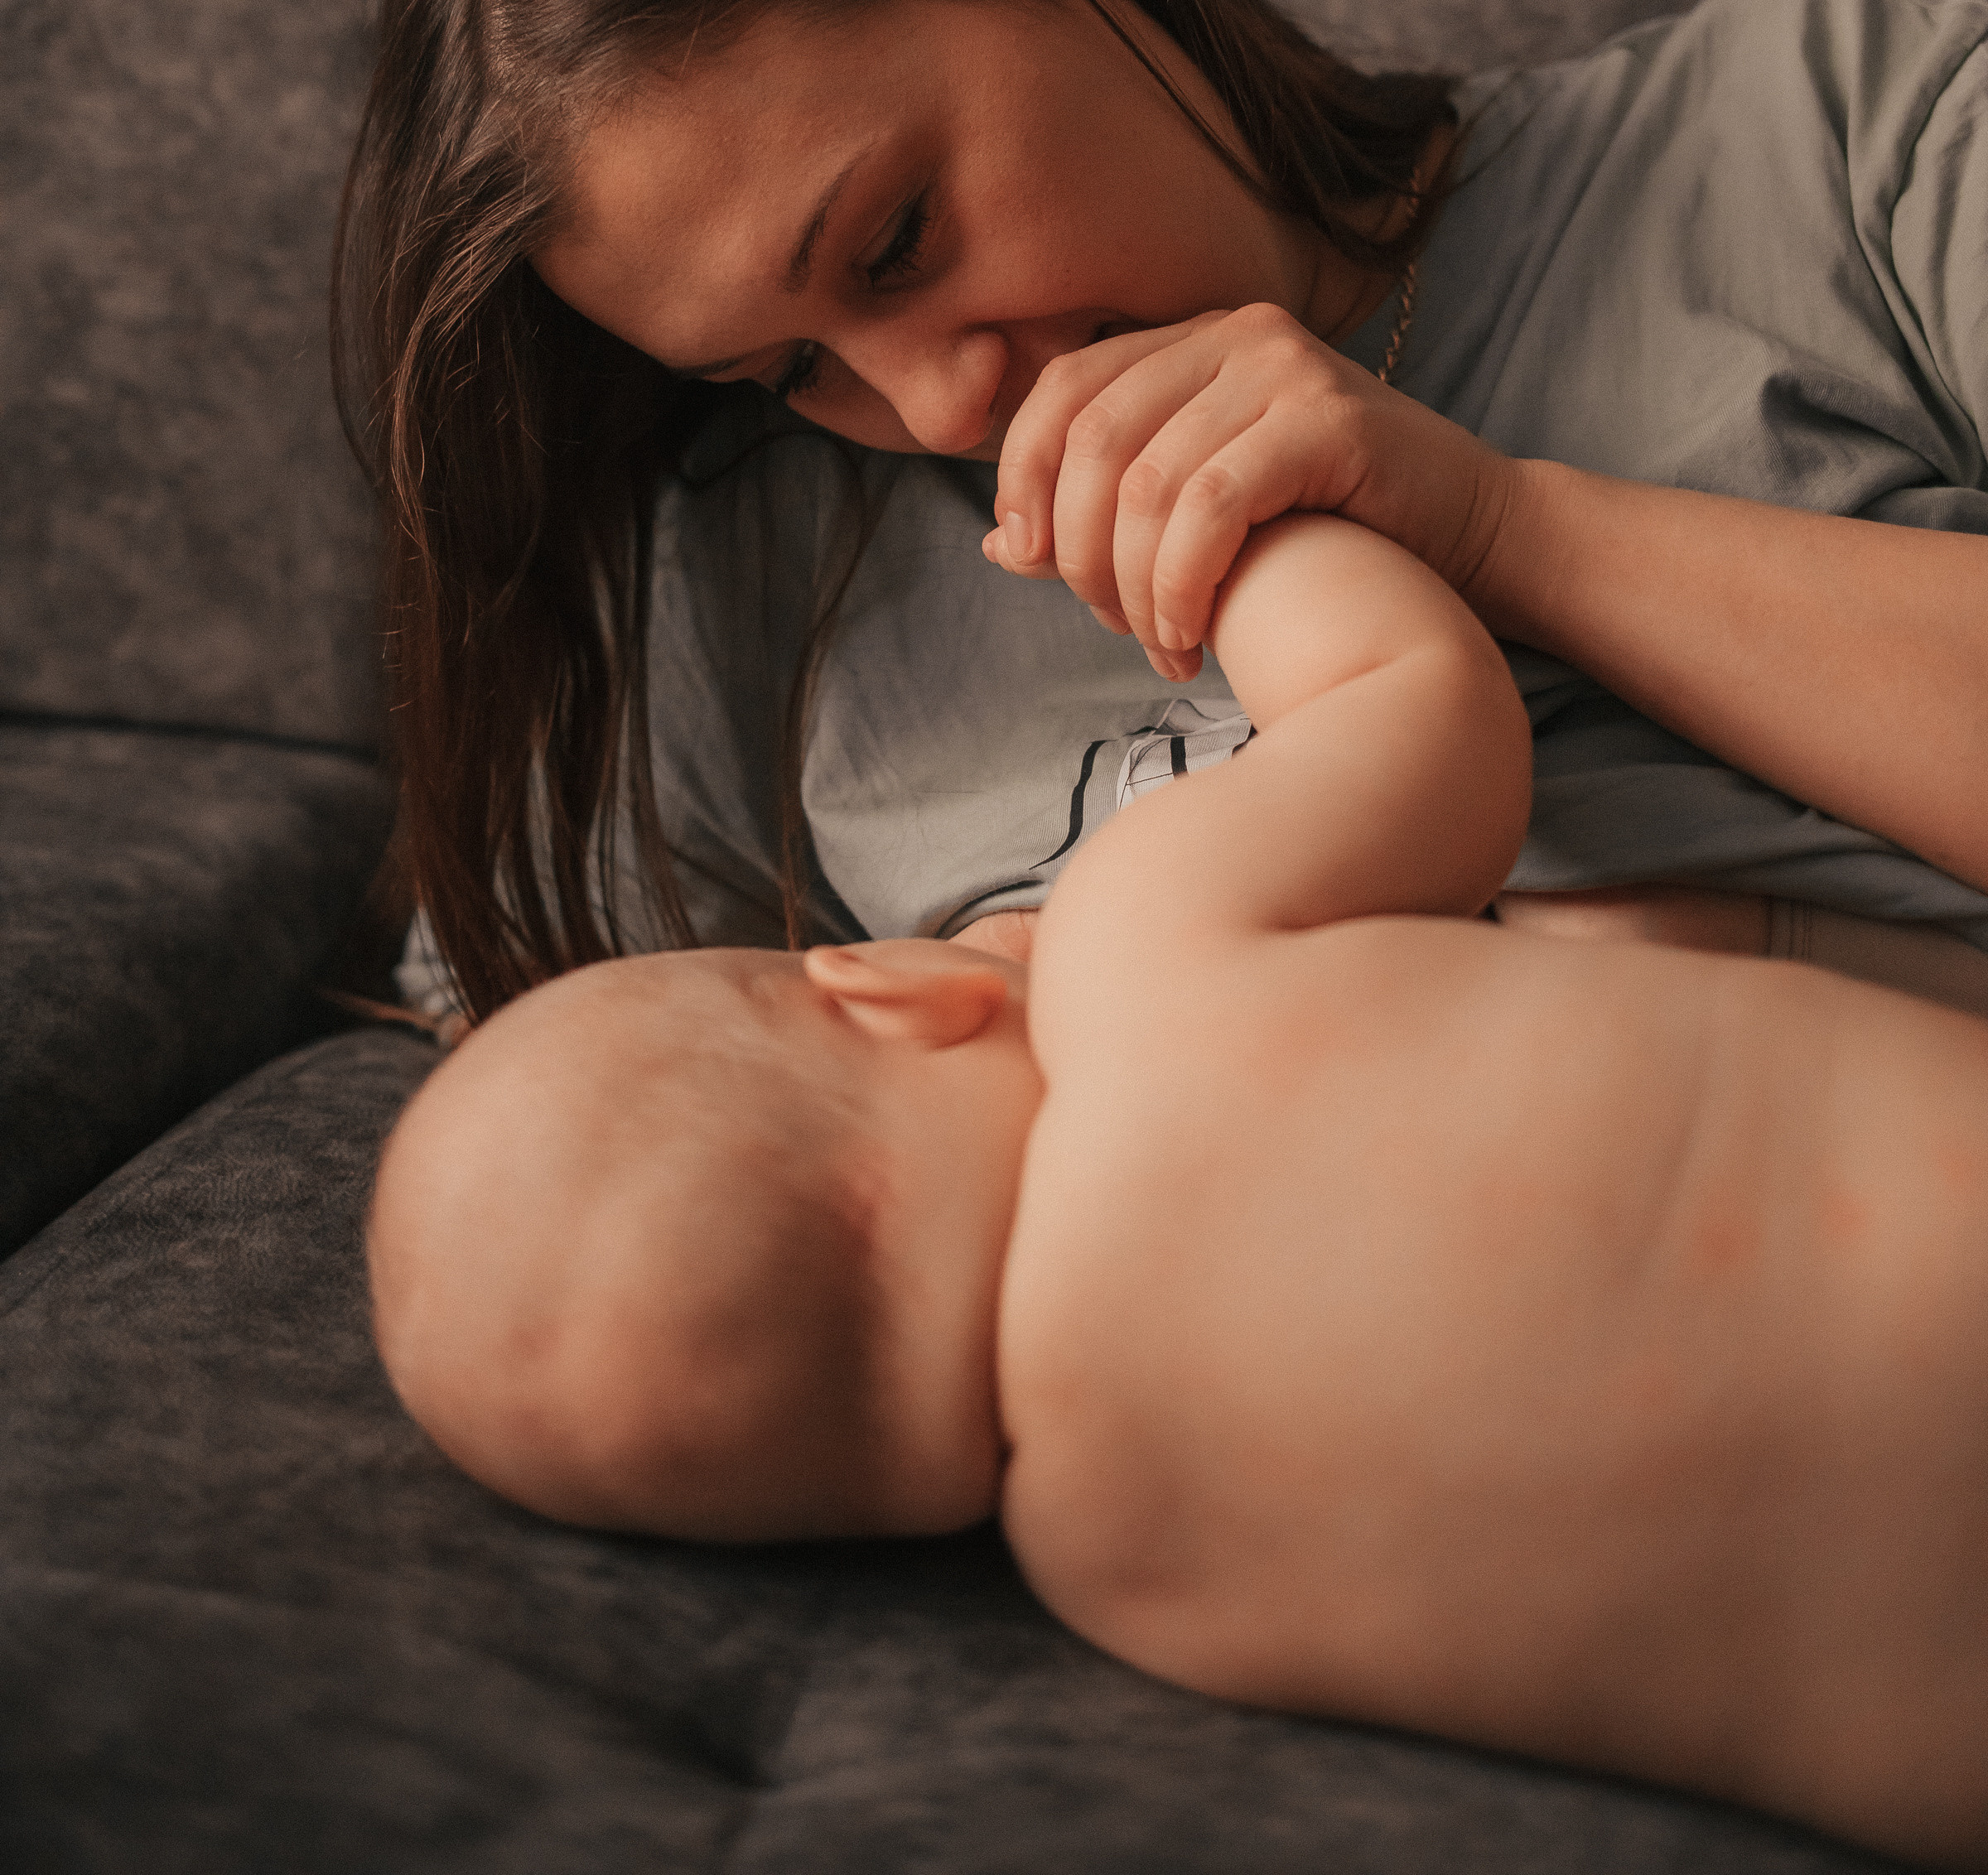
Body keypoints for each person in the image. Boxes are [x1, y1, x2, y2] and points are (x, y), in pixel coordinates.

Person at [332, 0, 1988, 1025]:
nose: (937, 406)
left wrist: (1502, 524)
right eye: (790, 369)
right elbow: (564, 1123)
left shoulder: (1840, 123)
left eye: (898, 236)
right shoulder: (759, 552)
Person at [369, 510, 1988, 1873]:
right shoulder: (1140, 964)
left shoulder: (1132, 1585)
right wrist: (1241, 535)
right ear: (879, 989)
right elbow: (1417, 699)